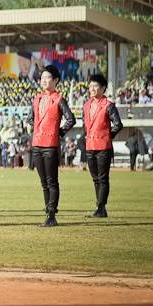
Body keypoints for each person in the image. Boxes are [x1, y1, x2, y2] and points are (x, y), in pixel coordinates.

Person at [26, 65, 76, 228]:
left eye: (48, 77)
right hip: (37, 144)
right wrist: (31, 126)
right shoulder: (37, 99)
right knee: (43, 183)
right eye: (42, 78)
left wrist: (58, 133)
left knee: (52, 181)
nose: (44, 80)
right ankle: (49, 210)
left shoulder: (59, 99)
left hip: (50, 145)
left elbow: (71, 119)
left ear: (55, 80)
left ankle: (51, 214)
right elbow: (30, 118)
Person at [82, 73, 123, 218]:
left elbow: (118, 125)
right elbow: (85, 125)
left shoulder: (108, 105)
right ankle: (99, 207)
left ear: (103, 88)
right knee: (95, 178)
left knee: (103, 178)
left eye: (96, 86)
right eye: (90, 85)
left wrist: (107, 136)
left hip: (103, 147)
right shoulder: (86, 105)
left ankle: (101, 207)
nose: (92, 88)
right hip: (90, 146)